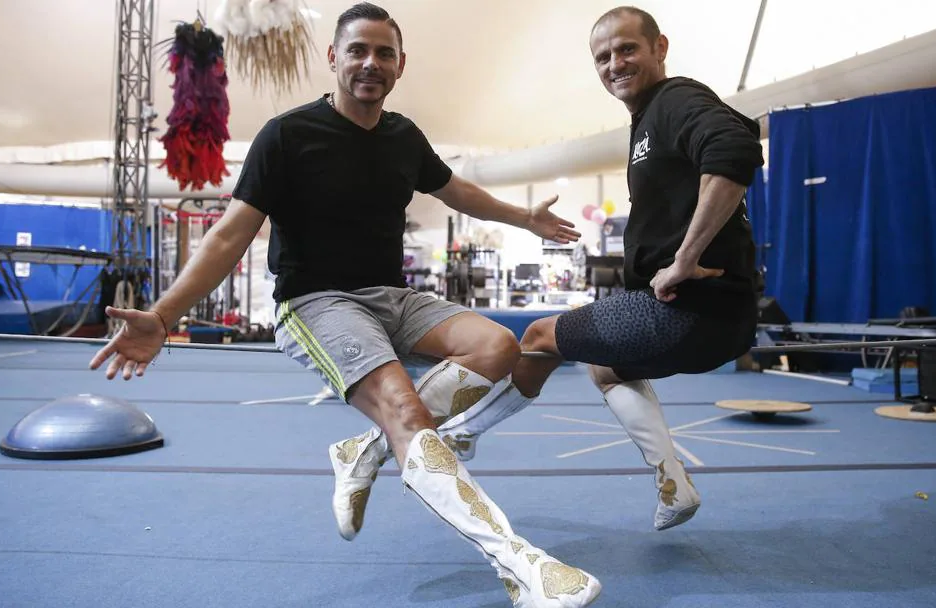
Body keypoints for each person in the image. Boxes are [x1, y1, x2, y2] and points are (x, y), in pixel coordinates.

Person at [88, 3, 602, 606]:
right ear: (333, 57)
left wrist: (523, 217)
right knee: (404, 411)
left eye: (384, 53)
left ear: (401, 64)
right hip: (316, 301)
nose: (370, 63)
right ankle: (521, 566)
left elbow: (454, 188)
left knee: (498, 346)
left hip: (393, 295)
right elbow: (230, 233)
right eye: (357, 50)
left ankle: (366, 449)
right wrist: (164, 314)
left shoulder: (403, 136)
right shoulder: (287, 136)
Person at [334, 5, 764, 536]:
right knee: (605, 364)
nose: (615, 64)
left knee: (538, 335)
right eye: (602, 56)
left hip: (691, 312)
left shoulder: (677, 99)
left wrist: (684, 258)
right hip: (717, 323)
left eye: (627, 49)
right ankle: (673, 482)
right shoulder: (646, 120)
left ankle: (463, 432)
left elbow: (736, 149)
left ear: (660, 48)